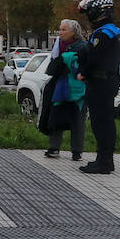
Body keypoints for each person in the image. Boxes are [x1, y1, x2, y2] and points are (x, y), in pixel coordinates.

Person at [77, 0, 120, 174]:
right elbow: (119, 57)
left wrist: (83, 72)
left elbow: (95, 58)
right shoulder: (116, 32)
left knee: (100, 123)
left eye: (88, 12)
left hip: (99, 83)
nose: (88, 16)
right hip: (109, 80)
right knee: (105, 122)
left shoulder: (102, 33)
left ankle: (104, 162)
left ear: (97, 11)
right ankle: (104, 159)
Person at [38, 19, 88, 160]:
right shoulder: (57, 45)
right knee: (56, 116)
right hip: (59, 87)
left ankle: (77, 151)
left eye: (64, 30)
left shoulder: (83, 46)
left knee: (78, 120)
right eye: (60, 29)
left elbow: (87, 67)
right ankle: (54, 148)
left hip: (79, 89)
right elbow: (52, 65)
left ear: (74, 32)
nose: (60, 32)